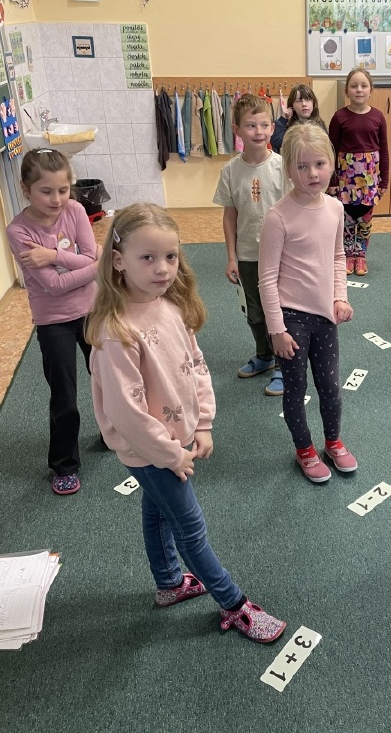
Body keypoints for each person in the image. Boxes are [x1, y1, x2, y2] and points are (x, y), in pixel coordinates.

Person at [87, 204, 286, 642]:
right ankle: (233, 604)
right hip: (149, 449)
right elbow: (127, 412)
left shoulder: (170, 307)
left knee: (157, 510)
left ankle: (169, 583)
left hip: (173, 441)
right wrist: (169, 454)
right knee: (190, 528)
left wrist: (203, 423)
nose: (162, 268)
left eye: (170, 256)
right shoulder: (117, 331)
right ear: (118, 260)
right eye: (147, 257)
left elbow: (196, 365)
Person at [258, 124, 356, 484]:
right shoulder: (278, 216)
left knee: (330, 387)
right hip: (291, 320)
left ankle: (333, 441)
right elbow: (266, 278)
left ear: (332, 163)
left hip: (325, 318)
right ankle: (304, 449)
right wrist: (276, 330)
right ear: (288, 170)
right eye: (302, 166)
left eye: (319, 164)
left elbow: (338, 257)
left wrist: (340, 297)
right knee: (296, 388)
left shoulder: (335, 207)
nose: (312, 173)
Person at [6, 149, 100, 495]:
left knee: (108, 380)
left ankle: (114, 433)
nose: (57, 199)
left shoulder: (75, 210)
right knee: (64, 397)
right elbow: (56, 284)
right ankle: (64, 464)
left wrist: (53, 255)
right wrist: (93, 265)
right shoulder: (19, 231)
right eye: (46, 191)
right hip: (53, 322)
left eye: (63, 189)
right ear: (25, 188)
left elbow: (92, 258)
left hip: (91, 311)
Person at [212, 93, 289, 396]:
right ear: (237, 130)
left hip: (280, 256)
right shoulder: (230, 171)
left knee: (278, 311)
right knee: (254, 312)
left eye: (264, 125)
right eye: (251, 125)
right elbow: (229, 217)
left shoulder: (283, 167)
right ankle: (265, 355)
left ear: (272, 128)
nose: (258, 131)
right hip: (246, 255)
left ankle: (284, 364)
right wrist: (231, 257)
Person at [328, 68, 389, 276]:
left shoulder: (378, 116)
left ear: (371, 89)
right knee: (347, 218)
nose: (359, 90)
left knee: (365, 218)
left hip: (370, 180)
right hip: (346, 180)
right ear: (347, 91)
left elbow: (384, 151)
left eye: (364, 85)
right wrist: (332, 181)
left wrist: (384, 181)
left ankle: (360, 255)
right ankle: (347, 255)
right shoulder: (339, 117)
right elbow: (332, 150)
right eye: (354, 86)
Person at [271, 84, 327, 154]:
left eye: (308, 99)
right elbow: (276, 142)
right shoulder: (290, 128)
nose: (304, 104)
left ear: (313, 103)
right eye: (298, 101)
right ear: (292, 107)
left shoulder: (319, 125)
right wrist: (283, 119)